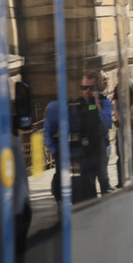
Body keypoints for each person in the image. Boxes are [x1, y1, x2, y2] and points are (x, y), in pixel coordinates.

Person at [44, 71, 114, 202]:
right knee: (87, 188)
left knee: (104, 182)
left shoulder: (104, 103)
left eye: (91, 88)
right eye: (84, 88)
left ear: (97, 88)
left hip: (100, 149)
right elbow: (66, 127)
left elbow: (107, 124)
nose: (87, 91)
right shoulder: (76, 105)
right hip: (84, 153)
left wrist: (98, 105)